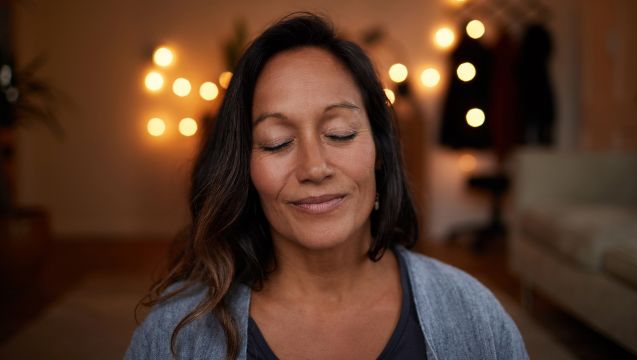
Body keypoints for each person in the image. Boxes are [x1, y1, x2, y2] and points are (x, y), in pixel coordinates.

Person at [125, 13, 528, 360]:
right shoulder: (176, 335)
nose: (314, 167)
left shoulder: (473, 315)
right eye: (277, 142)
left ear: (380, 152)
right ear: (243, 168)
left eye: (339, 133)